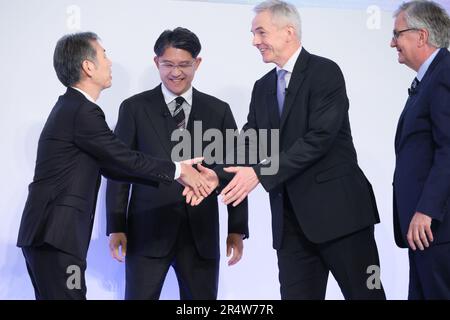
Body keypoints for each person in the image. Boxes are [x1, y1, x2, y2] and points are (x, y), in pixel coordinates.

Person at [16, 32, 211, 300]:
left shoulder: (73, 107)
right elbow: (123, 157)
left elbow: (115, 167)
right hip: (56, 237)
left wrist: (175, 174)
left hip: (51, 238)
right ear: (88, 66)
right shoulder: (82, 111)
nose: (109, 62)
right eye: (104, 55)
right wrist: (178, 170)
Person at [219, 0, 386, 299]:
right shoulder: (262, 86)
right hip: (291, 227)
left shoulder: (325, 72)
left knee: (367, 295)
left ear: (288, 32)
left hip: (342, 218)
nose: (254, 41)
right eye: (253, 34)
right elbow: (253, 140)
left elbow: (318, 138)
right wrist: (207, 167)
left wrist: (260, 172)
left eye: (260, 32)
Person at [106, 27, 249, 300]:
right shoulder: (134, 108)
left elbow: (234, 171)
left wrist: (236, 228)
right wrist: (116, 226)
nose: (176, 72)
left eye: (184, 64)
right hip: (146, 232)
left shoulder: (219, 111)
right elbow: (119, 170)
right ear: (156, 62)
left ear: (198, 63)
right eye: (168, 64)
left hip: (201, 235)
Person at [391, 0, 450, 300]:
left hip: (438, 228)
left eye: (397, 34)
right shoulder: (430, 78)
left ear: (421, 36)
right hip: (425, 233)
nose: (392, 43)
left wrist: (426, 209)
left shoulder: (444, 74)